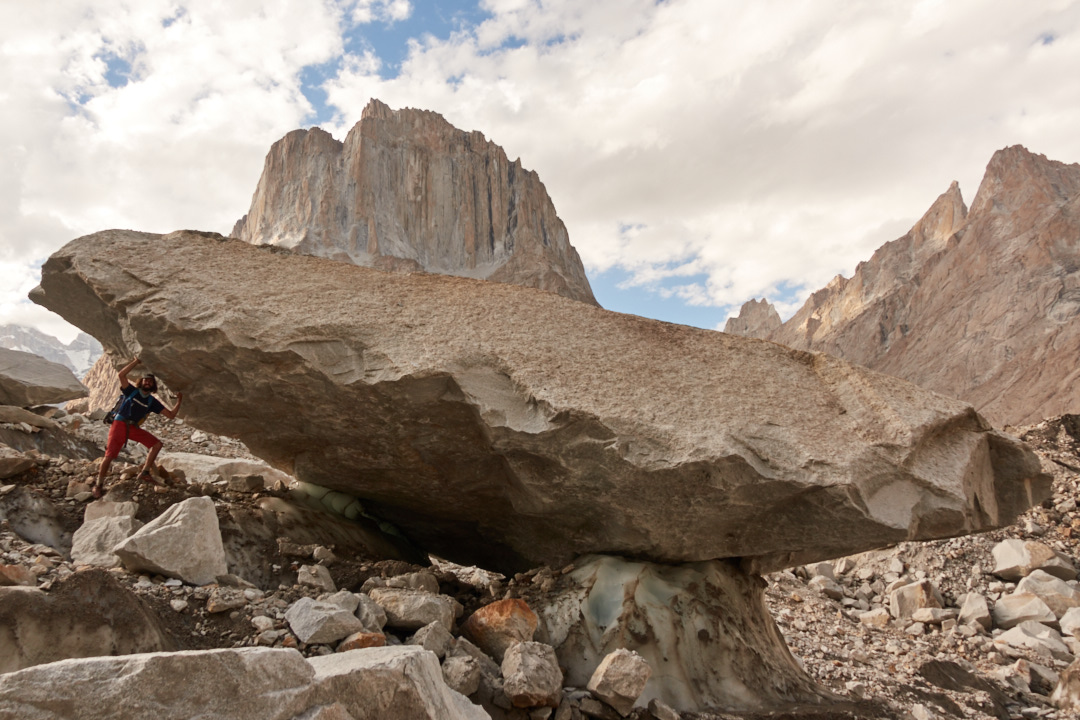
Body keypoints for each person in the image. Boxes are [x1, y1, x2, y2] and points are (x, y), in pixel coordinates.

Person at [93, 357, 183, 497]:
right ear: (141, 382)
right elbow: (121, 375)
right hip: (119, 424)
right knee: (109, 455)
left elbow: (171, 415)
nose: (147, 382)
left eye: (150, 381)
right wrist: (136, 362)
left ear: (153, 386)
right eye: (146, 380)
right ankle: (98, 485)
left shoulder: (152, 401)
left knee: (157, 444)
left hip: (132, 428)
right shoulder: (131, 391)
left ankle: (145, 472)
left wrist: (179, 401)